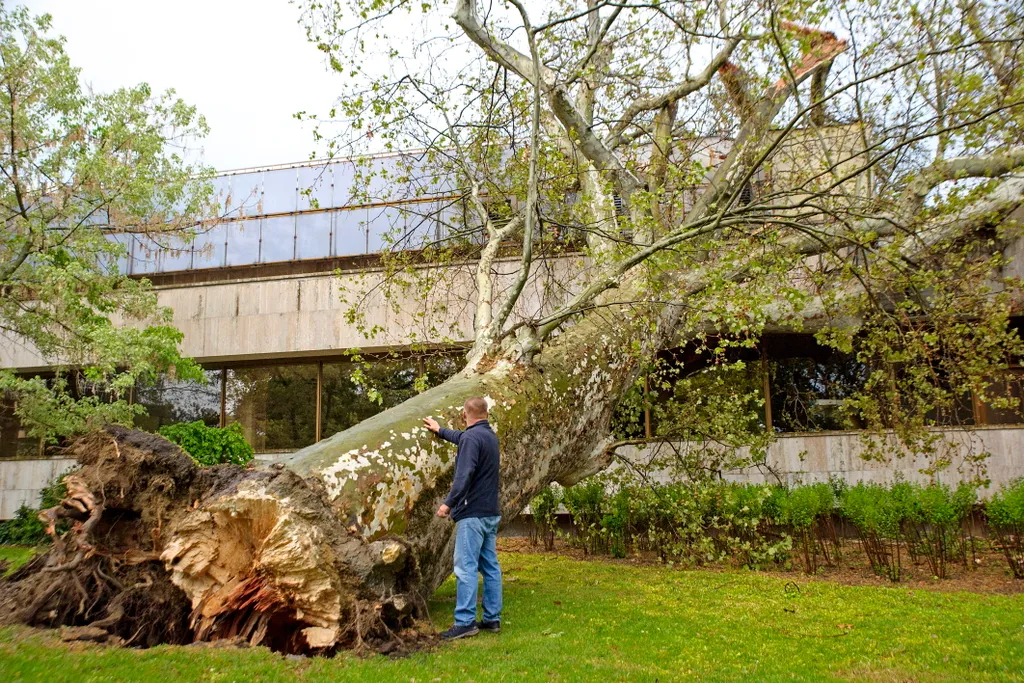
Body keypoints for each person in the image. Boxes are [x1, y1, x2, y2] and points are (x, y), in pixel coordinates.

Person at [423, 396, 502, 640]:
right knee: (490, 567)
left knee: (465, 567)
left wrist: (448, 503)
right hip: (490, 513)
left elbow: (464, 475)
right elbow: (462, 437)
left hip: (472, 514)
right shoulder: (489, 436)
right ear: (485, 414)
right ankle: (492, 619)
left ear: (464, 414)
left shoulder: (471, 438)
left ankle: (465, 622)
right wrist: (439, 431)